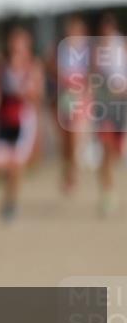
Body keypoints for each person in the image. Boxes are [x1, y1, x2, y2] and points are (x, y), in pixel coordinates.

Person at [0, 25, 44, 222]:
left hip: (23, 120)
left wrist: (24, 92)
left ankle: (11, 203)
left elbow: (37, 94)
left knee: (15, 164)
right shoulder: (1, 65)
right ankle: (8, 195)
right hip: (4, 118)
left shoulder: (32, 67)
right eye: (13, 41)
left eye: (20, 41)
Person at [48, 15, 91, 192]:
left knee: (74, 135)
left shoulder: (88, 50)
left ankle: (72, 172)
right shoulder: (61, 48)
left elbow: (91, 73)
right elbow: (51, 67)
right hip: (63, 96)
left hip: (79, 96)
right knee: (65, 138)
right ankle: (68, 169)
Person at [93, 11, 126, 217]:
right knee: (105, 148)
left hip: (120, 103)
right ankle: (107, 191)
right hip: (104, 103)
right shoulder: (96, 50)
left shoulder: (121, 45)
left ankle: (109, 186)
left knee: (115, 150)